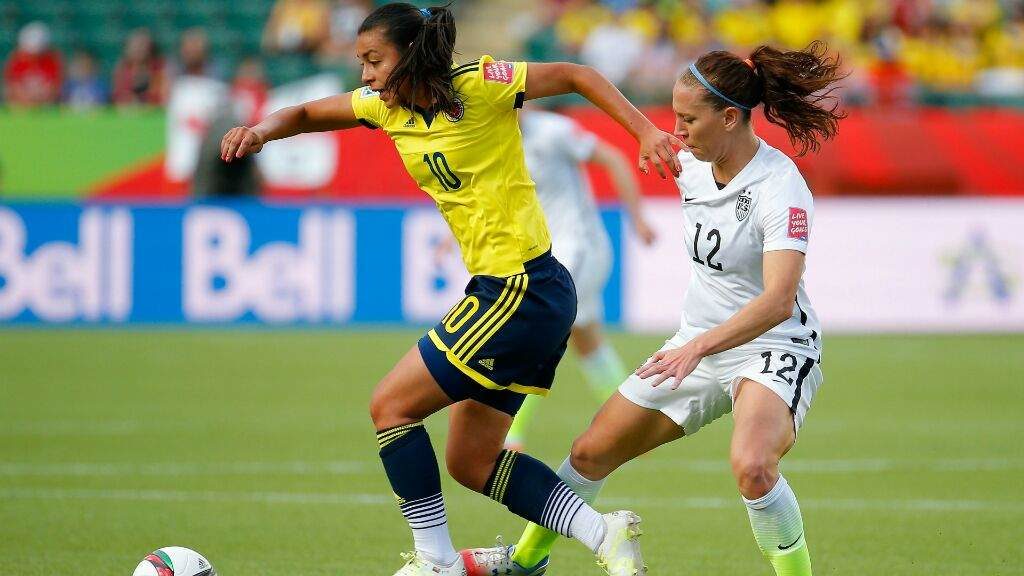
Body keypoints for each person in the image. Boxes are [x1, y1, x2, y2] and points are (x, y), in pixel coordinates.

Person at [220, 4, 683, 576]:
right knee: (473, 460)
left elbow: (573, 75)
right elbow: (313, 111)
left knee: (391, 406)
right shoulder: (383, 109)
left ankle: (435, 561)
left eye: (373, 61)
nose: (364, 75)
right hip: (522, 293)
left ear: (410, 56)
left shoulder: (480, 86)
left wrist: (643, 129)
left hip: (519, 288)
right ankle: (603, 533)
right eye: (360, 62)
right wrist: (261, 130)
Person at [462, 41, 845, 576]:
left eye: (688, 119)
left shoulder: (781, 188)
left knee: (753, 467)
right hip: (696, 345)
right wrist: (643, 133)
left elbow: (778, 301)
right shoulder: (690, 161)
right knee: (589, 452)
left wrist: (698, 347)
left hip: (772, 347)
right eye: (672, 117)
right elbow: (634, 130)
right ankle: (524, 564)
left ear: (731, 118)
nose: (677, 130)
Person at [503, 105, 656, 451]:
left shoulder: (554, 131)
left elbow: (614, 158)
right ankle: (634, 425)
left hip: (580, 248)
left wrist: (637, 217)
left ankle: (511, 433)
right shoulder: (496, 139)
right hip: (547, 253)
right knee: (587, 341)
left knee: (539, 329)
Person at [2, 22, 62, 107]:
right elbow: (11, 87)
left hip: (45, 106)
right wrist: (25, 99)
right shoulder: (16, 61)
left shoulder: (52, 61)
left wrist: (39, 99)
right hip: (21, 108)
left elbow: (55, 88)